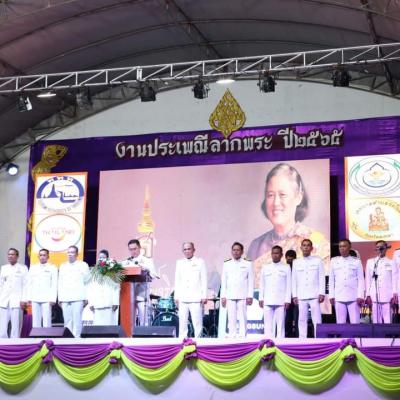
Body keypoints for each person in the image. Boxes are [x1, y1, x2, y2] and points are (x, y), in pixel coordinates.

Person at [248, 163, 329, 288]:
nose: (276, 203)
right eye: (270, 195)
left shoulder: (317, 242)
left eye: (282, 195)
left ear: (298, 197)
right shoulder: (256, 245)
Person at [292, 239, 325, 338]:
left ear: (311, 248)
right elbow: (294, 279)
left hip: (315, 294)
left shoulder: (318, 260)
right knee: (302, 319)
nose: (306, 247)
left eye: (308, 245)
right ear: (301, 248)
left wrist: (322, 293)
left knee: (317, 319)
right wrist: (294, 295)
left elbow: (321, 277)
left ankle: (318, 338)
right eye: (304, 245)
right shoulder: (296, 262)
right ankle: (302, 339)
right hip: (301, 295)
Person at [220, 242, 253, 338]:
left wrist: (250, 296)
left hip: (243, 295)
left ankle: (243, 337)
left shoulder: (247, 263)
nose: (235, 252)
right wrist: (223, 296)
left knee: (243, 317)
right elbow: (224, 281)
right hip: (230, 295)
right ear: (231, 251)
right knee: (231, 318)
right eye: (234, 250)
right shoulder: (227, 263)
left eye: (238, 250)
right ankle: (232, 336)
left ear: (242, 251)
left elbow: (250, 280)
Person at [174, 242, 207, 338]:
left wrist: (204, 296)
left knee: (197, 324)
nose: (187, 251)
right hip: (183, 298)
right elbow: (177, 280)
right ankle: (182, 342)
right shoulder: (179, 263)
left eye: (189, 249)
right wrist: (176, 296)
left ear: (193, 250)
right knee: (182, 324)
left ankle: (199, 342)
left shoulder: (200, 262)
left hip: (196, 298)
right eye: (185, 249)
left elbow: (204, 280)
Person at [122, 239, 157, 326]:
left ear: (140, 248)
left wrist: (146, 270)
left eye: (135, 249)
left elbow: (153, 275)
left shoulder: (147, 260)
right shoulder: (126, 262)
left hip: (142, 294)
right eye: (131, 249)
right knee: (130, 322)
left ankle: (144, 335)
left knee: (144, 322)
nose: (133, 251)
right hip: (129, 295)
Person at [329, 239, 364, 324]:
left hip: (354, 296)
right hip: (339, 296)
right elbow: (331, 280)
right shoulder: (334, 261)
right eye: (340, 246)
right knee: (340, 324)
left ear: (349, 247)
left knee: (355, 323)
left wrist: (360, 295)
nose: (342, 248)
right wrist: (331, 295)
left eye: (344, 246)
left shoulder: (356, 261)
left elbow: (361, 279)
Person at [259, 246, 291, 338]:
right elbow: (262, 284)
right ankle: (268, 342)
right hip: (268, 299)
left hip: (281, 300)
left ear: (281, 255)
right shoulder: (265, 267)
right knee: (267, 325)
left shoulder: (286, 267)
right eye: (273, 253)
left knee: (280, 325)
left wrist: (287, 300)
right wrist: (261, 298)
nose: (275, 255)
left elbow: (289, 285)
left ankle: (280, 342)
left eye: (277, 253)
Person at [58, 246, 89, 337]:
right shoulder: (63, 266)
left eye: (72, 252)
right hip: (65, 297)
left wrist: (87, 297)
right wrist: (60, 298)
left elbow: (87, 282)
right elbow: (60, 283)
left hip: (78, 296)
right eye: (68, 252)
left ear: (77, 254)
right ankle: (68, 338)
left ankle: (77, 338)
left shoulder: (83, 265)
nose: (70, 254)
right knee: (67, 320)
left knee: (77, 319)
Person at [365, 241, 398, 324]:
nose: (380, 248)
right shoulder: (370, 262)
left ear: (386, 248)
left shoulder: (391, 262)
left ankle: (388, 333)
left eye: (382, 247)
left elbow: (394, 279)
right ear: (376, 249)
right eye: (378, 247)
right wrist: (368, 295)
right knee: (376, 322)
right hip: (374, 296)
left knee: (388, 322)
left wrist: (394, 293)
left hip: (388, 296)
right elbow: (368, 280)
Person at [0, 248, 28, 338]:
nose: (10, 256)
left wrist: (24, 300)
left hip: (17, 301)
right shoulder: (4, 268)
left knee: (16, 326)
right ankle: (3, 343)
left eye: (12, 254)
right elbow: (1, 285)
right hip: (4, 300)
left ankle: (15, 342)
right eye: (9, 254)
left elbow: (26, 285)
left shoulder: (23, 268)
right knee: (2, 326)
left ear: (17, 256)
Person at [87, 250, 120, 326]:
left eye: (103, 257)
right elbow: (90, 288)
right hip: (97, 304)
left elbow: (116, 288)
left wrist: (115, 302)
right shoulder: (93, 272)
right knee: (98, 326)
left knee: (109, 326)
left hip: (109, 304)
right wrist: (91, 303)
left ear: (107, 259)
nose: (101, 259)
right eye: (100, 257)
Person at [27, 248, 58, 328]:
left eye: (44, 255)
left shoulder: (52, 268)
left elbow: (54, 284)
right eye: (40, 255)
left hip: (47, 298)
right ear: (38, 256)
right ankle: (36, 335)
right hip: (35, 297)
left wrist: (53, 299)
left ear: (48, 256)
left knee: (47, 321)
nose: (42, 257)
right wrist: (29, 297)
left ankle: (47, 335)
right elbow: (29, 283)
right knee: (35, 321)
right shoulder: (33, 268)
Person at [284, 249, 298, 337]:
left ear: (295, 259)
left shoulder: (297, 269)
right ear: (285, 258)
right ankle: (287, 336)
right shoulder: (284, 268)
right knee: (287, 318)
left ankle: (297, 336)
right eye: (288, 260)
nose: (289, 262)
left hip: (296, 297)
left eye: (291, 260)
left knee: (297, 318)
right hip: (286, 297)